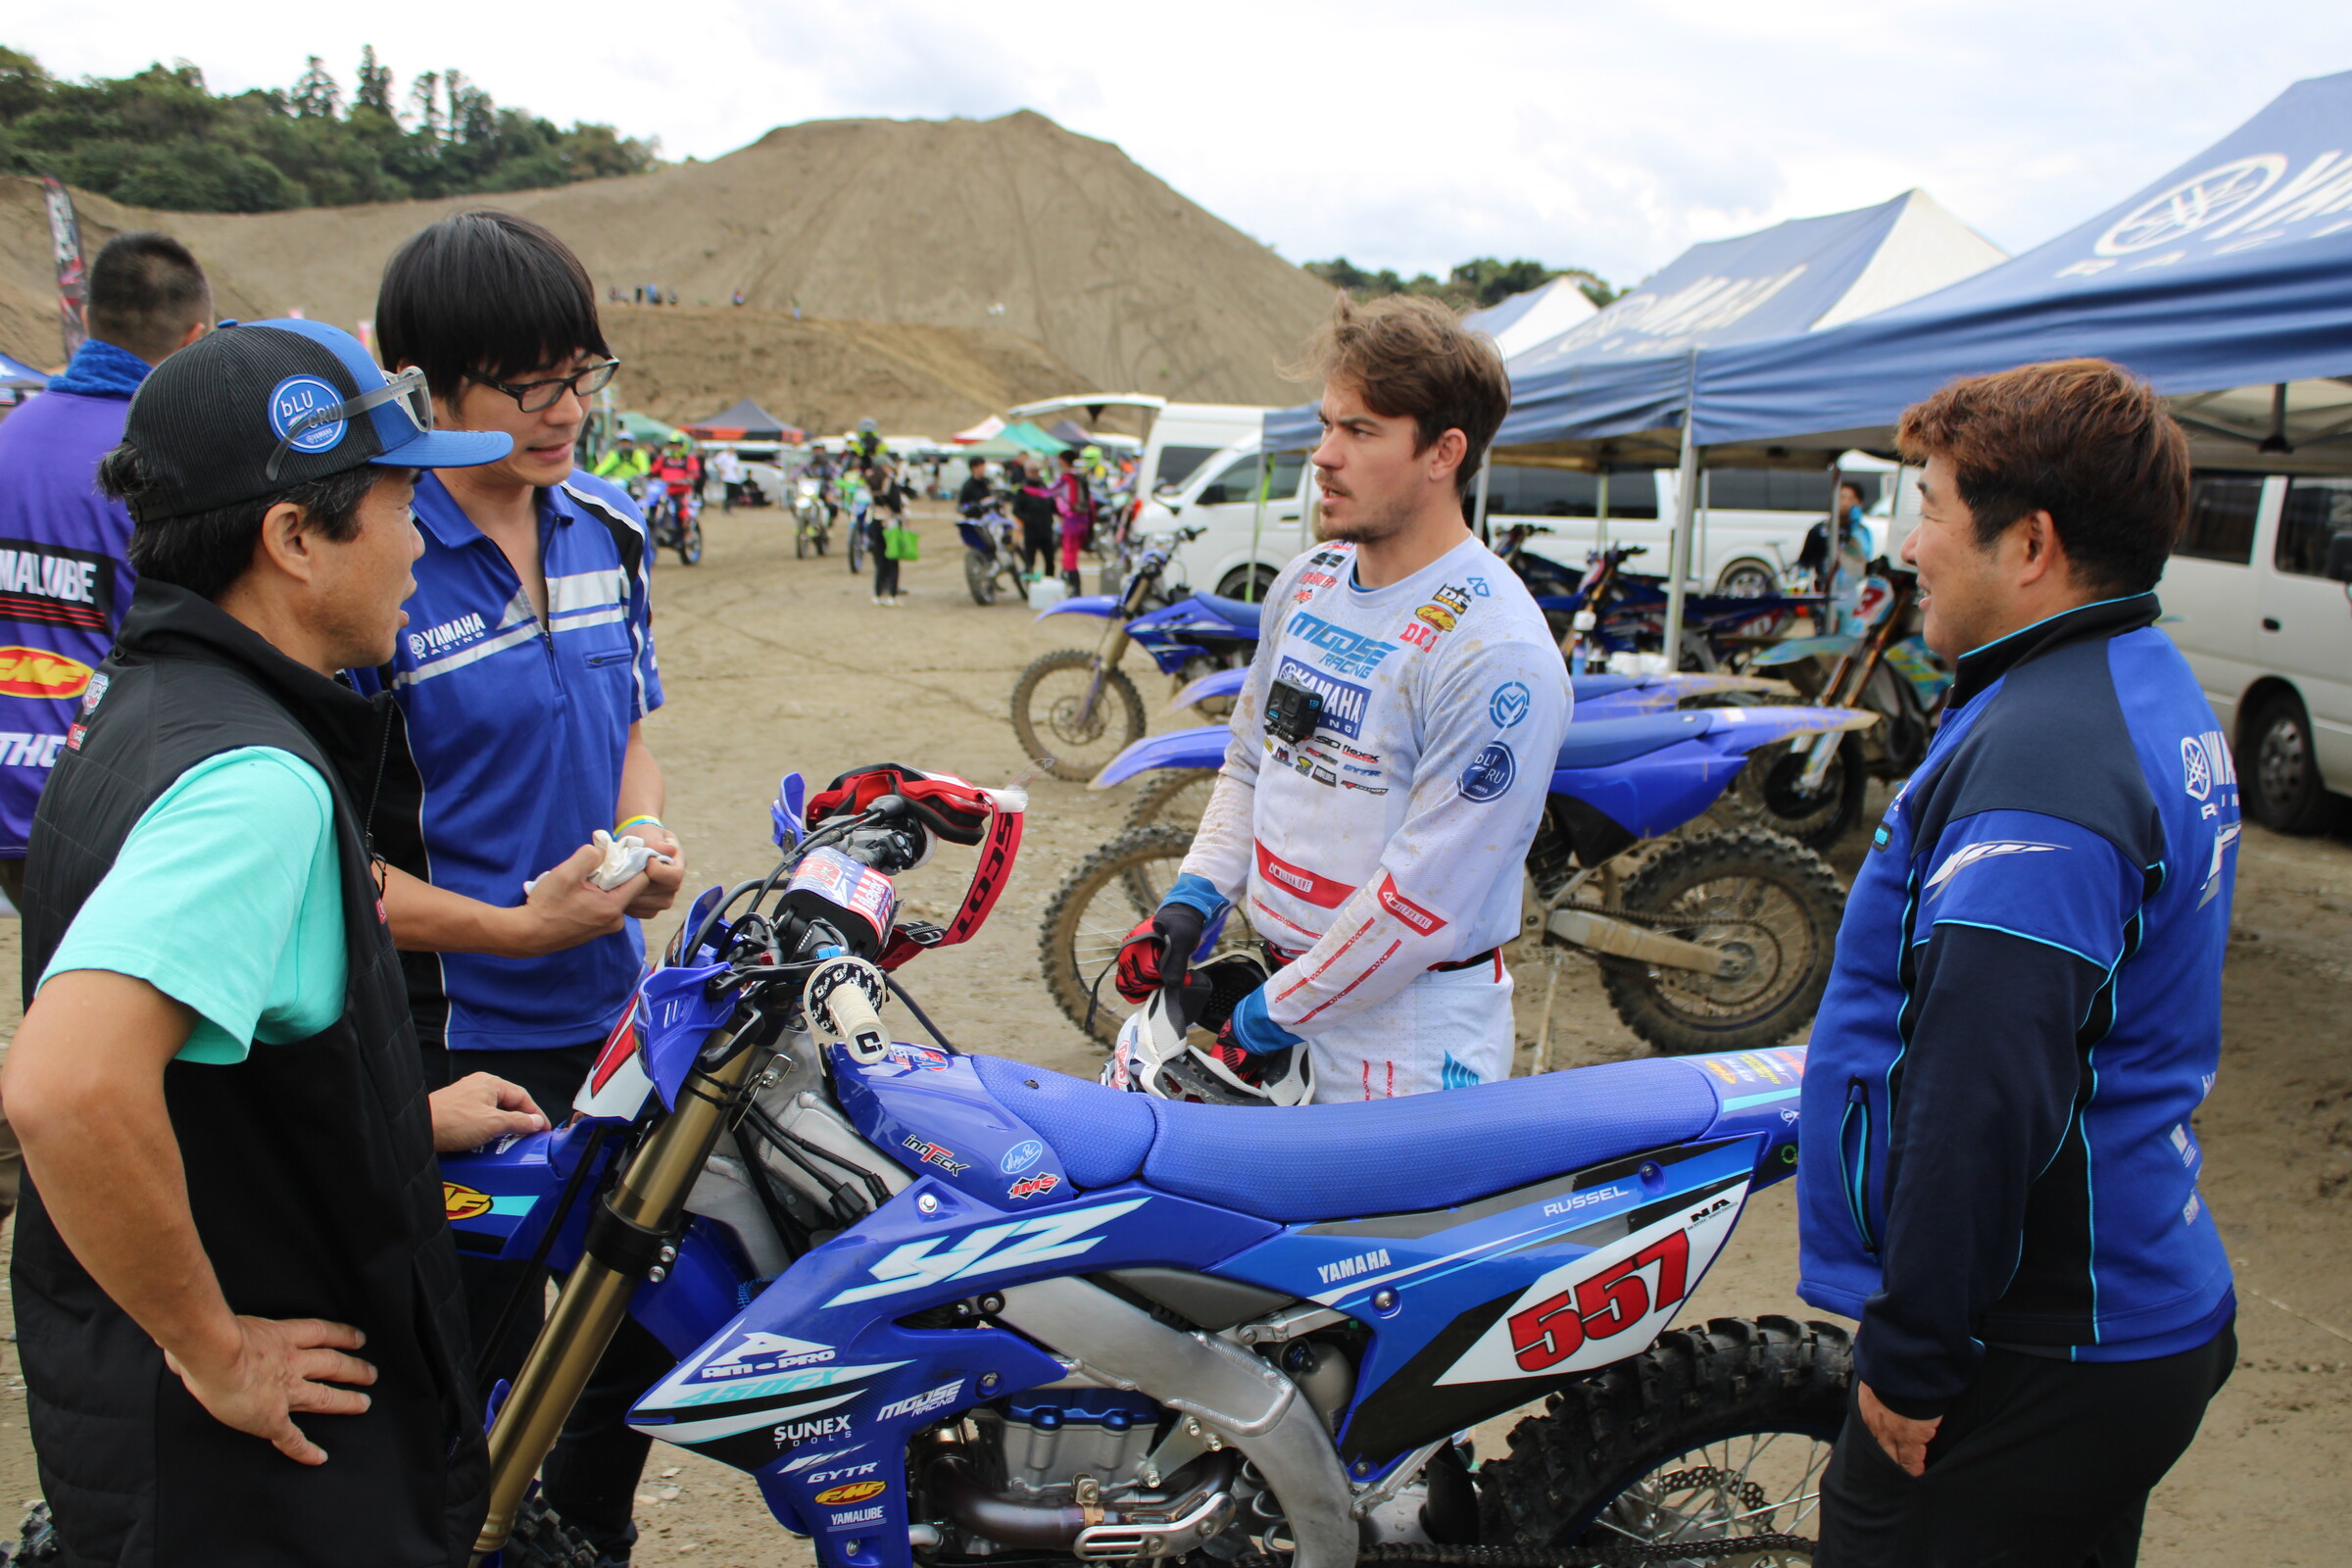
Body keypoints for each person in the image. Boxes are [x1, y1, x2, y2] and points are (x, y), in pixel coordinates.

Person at [2, 317, 549, 1565]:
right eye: (401, 502)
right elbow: (66, 1086)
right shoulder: (253, 781)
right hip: (260, 1474)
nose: (421, 541)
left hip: (150, 1427)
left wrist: (391, 1117)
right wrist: (216, 1346)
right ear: (296, 538)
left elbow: (214, 1065)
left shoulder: (144, 700)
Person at [1798, 361, 2240, 1568]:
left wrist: (1914, 1351)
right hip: (2124, 1301)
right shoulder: (2131, 674)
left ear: (2031, 543)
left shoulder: (2050, 759)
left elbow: (1981, 1088)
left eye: (1932, 509)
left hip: (2040, 1336)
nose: (1908, 547)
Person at [363, 210, 685, 1567]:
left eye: (581, 372)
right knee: (465, 1366)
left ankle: (586, 1538)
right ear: (431, 389)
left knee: (634, 1332)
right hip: (452, 1044)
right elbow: (324, 864)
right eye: (524, 382)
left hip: (610, 1022)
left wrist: (644, 838)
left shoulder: (610, 527)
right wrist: (513, 926)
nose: (565, 409)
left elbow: (629, 733)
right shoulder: (376, 560)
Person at [1114, 295, 1571, 1101]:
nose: (1324, 457)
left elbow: (1418, 905)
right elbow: (1252, 762)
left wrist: (1270, 1016)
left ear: (1444, 453)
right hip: (1283, 994)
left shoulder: (1496, 652)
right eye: (1326, 426)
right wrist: (1196, 893)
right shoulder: (1307, 582)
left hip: (1408, 1039)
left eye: (1360, 432)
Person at [0, 232, 213, 1224]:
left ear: (84, 319)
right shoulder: (159, 458)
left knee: (59, 1011)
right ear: (197, 338)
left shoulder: (11, 434)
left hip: (12, 793)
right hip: (110, 799)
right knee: (133, 1047)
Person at [1050, 447, 1095, 596]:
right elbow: (1091, 502)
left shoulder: (1066, 479)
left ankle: (1074, 587)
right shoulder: (1081, 477)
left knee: (1069, 554)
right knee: (1073, 553)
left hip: (1071, 520)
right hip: (1083, 520)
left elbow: (1060, 501)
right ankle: (1072, 583)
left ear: (1063, 461)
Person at [1009, 456, 1058, 581]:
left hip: (1046, 530)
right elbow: (1016, 510)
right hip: (1031, 531)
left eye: (1037, 471)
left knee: (1050, 560)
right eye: (1032, 471)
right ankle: (1029, 585)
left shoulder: (1044, 487)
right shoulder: (1022, 489)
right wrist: (1028, 519)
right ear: (1026, 472)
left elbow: (1053, 506)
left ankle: (1049, 583)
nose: (1035, 474)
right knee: (1029, 561)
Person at [709, 443, 746, 511]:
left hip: (734, 478)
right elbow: (715, 462)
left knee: (734, 492)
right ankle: (726, 508)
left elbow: (735, 466)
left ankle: (729, 506)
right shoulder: (723, 455)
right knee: (728, 492)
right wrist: (720, 470)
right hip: (726, 477)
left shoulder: (734, 456)